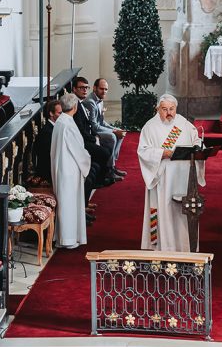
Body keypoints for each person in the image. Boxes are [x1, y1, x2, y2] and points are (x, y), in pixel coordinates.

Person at [137, 93, 205, 251]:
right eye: (164, 109)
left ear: (176, 109)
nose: (168, 113)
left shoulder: (183, 123)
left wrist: (198, 146)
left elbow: (196, 139)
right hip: (163, 178)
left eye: (171, 109)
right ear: (157, 109)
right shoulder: (150, 127)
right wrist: (163, 153)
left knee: (183, 211)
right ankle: (165, 249)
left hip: (184, 177)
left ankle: (184, 247)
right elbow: (143, 151)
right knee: (164, 212)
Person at [50, 93, 91, 249]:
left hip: (61, 168)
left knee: (65, 203)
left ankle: (62, 238)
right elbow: (78, 150)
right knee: (69, 204)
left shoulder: (61, 121)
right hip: (70, 171)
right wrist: (87, 159)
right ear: (75, 107)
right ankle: (68, 240)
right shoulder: (68, 124)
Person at [72, 75, 117, 186]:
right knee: (105, 151)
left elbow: (93, 123)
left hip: (88, 135)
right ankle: (100, 180)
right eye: (81, 87)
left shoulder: (81, 103)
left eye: (86, 87)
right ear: (74, 89)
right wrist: (94, 138)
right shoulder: (76, 105)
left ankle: (109, 170)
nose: (84, 90)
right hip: (82, 141)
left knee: (110, 143)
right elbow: (81, 128)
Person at [87, 78, 127, 176]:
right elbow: (94, 126)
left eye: (106, 89)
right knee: (113, 136)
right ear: (94, 88)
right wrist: (113, 131)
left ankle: (112, 165)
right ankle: (109, 169)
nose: (104, 91)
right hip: (92, 131)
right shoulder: (90, 102)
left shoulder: (100, 100)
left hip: (98, 128)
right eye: (102, 89)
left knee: (120, 132)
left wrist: (115, 129)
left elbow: (102, 122)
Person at [33, 98, 62, 183]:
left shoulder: (55, 128)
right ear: (51, 113)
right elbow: (48, 155)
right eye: (60, 113)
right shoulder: (47, 131)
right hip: (49, 171)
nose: (62, 115)